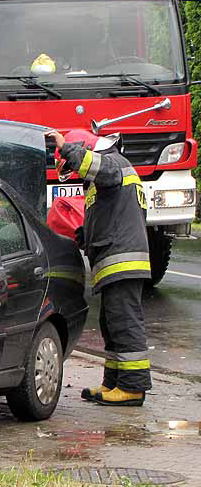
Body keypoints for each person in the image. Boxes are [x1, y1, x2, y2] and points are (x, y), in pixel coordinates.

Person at [46, 128, 152, 406]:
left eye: (74, 164)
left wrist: (65, 146)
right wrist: (85, 235)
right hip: (115, 261)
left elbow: (98, 169)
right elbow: (112, 217)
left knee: (125, 323)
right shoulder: (106, 177)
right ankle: (114, 383)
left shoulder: (114, 164)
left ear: (87, 150)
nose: (76, 172)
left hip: (123, 262)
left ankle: (132, 387)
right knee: (112, 324)